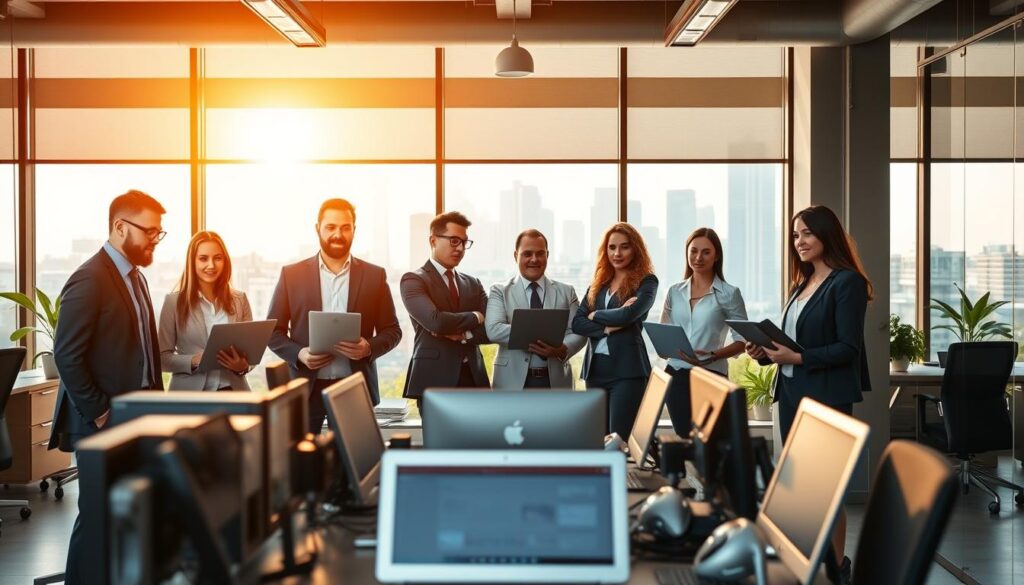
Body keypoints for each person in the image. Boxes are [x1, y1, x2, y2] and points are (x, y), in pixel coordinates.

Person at [746, 204, 872, 584]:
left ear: (825, 235)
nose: (799, 241)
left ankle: (837, 570)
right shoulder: (801, 283)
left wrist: (797, 356)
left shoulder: (845, 282)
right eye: (795, 235)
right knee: (801, 489)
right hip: (792, 393)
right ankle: (811, 563)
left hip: (825, 397)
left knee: (825, 490)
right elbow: (793, 345)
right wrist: (766, 354)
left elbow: (848, 348)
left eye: (807, 234)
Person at [49, 190, 167, 584]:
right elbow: (67, 355)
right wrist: (100, 411)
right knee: (98, 515)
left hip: (137, 415)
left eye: (159, 233)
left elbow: (143, 351)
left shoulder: (136, 277)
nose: (155, 239)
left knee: (129, 511)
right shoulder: (90, 277)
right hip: (102, 419)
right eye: (150, 231)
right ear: (120, 227)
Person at [267, 198, 402, 433]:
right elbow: (273, 332)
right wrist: (299, 354)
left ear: (354, 230)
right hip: (305, 389)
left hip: (355, 388)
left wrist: (368, 347)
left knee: (351, 465)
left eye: (345, 227)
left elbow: (393, 331)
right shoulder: (291, 275)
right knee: (304, 465)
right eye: (331, 227)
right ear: (317, 228)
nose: (338, 234)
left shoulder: (374, 276)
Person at [572, 222, 658, 440]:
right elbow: (578, 323)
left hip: (627, 372)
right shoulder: (599, 283)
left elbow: (627, 316)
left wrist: (595, 315)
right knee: (596, 439)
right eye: (612, 247)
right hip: (595, 370)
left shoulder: (646, 282)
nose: (617, 253)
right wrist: (609, 327)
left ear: (635, 249)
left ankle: (622, 476)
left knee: (617, 440)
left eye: (624, 247)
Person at [660, 227, 747, 436]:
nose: (698, 257)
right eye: (694, 251)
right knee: (684, 438)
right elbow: (663, 332)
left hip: (711, 375)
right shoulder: (674, 291)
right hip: (676, 375)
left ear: (716, 256)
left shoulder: (729, 293)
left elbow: (742, 341)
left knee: (709, 443)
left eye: (706, 252)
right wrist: (664, 347)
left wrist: (712, 355)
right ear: (687, 253)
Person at [401, 211, 489, 408]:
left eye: (464, 242)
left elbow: (491, 328)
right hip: (434, 380)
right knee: (437, 440)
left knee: (478, 439)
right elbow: (436, 322)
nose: (460, 248)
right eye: (453, 240)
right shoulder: (413, 279)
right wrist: (476, 316)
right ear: (433, 240)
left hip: (474, 380)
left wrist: (465, 334)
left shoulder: (473, 283)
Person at [485, 229, 586, 389]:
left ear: (547, 255)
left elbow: (578, 332)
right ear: (515, 256)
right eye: (527, 254)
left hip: (556, 381)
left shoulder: (567, 291)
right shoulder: (499, 290)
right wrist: (545, 334)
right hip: (511, 382)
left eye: (540, 253)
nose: (534, 259)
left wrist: (562, 349)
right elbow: (494, 329)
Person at [158, 231, 253, 391]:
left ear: (225, 261)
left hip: (233, 392)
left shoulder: (240, 299)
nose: (211, 265)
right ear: (192, 262)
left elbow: (251, 354)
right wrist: (193, 360)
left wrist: (243, 366)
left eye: (217, 258)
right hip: (191, 397)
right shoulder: (173, 302)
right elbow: (161, 359)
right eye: (203, 258)